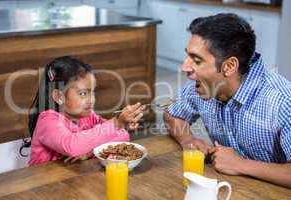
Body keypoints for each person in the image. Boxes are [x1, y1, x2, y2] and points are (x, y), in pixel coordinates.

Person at [163, 13, 291, 188]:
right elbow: (173, 114)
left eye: (197, 60)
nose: (185, 67)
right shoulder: (203, 85)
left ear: (229, 66)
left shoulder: (282, 100)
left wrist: (241, 165)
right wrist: (187, 139)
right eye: (188, 56)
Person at [23, 56, 145, 166]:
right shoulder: (48, 120)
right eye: (83, 93)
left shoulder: (88, 116)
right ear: (59, 97)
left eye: (93, 92)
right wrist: (116, 123)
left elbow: (123, 136)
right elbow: (72, 146)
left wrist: (90, 151)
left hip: (73, 182)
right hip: (42, 186)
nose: (91, 99)